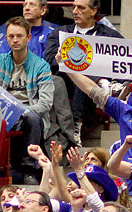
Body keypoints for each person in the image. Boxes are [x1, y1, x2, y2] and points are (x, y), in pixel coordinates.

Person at [0, 16, 54, 185]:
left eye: (19, 36)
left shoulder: (41, 65)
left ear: (28, 38)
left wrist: (22, 111)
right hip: (5, 113)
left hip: (30, 114)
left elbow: (45, 103)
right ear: (6, 38)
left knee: (32, 117)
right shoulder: (1, 61)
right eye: (11, 36)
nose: (15, 40)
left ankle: (30, 169)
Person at [45, 0, 124, 141]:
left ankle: (76, 124)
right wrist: (59, 59)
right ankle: (102, 83)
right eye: (74, 7)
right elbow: (48, 61)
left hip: (88, 90)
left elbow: (124, 59)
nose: (75, 11)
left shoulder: (109, 35)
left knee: (82, 67)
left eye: (81, 8)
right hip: (65, 82)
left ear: (93, 11)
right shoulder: (60, 33)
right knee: (77, 65)